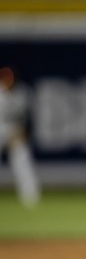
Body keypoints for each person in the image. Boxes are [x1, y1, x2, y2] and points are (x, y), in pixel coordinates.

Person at [0, 66, 41, 208]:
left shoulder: (23, 93)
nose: (7, 81)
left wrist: (23, 132)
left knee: (22, 158)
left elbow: (28, 118)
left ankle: (30, 196)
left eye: (9, 77)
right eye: (4, 77)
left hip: (15, 129)